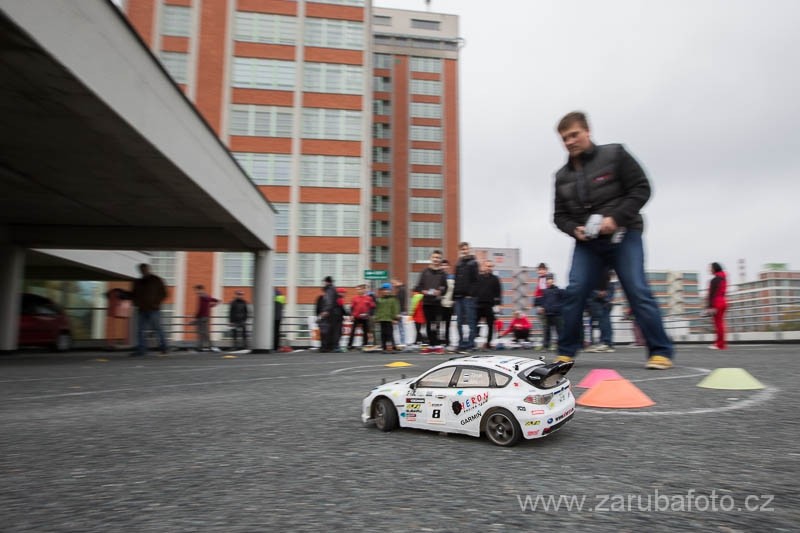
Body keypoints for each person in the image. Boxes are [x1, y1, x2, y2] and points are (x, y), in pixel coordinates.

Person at [552, 111, 674, 369]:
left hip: (624, 234)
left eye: (574, 135)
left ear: (588, 131)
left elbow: (642, 188)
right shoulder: (561, 177)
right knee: (574, 291)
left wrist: (615, 218)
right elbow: (559, 216)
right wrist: (574, 229)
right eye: (564, 138)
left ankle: (660, 351)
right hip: (588, 243)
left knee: (637, 289)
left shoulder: (615, 154)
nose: (570, 141)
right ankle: (566, 351)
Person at [131, 263, 168, 356]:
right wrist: (135, 302)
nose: (143, 271)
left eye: (145, 269)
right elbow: (133, 294)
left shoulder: (156, 280)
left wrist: (156, 303)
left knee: (157, 328)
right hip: (142, 309)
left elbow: (164, 293)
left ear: (148, 269)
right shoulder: (138, 282)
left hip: (153, 309)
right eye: (141, 270)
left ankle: (164, 348)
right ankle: (142, 350)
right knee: (141, 330)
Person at [413, 250, 447, 347]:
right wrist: (423, 291)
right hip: (427, 302)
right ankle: (431, 343)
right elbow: (418, 286)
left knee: (436, 324)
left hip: (437, 302)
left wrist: (440, 291)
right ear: (431, 258)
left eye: (438, 258)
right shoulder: (425, 272)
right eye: (434, 257)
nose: (436, 259)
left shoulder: (443, 273)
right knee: (428, 324)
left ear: (440, 260)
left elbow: (445, 287)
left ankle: (436, 343)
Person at [453, 242, 479, 351]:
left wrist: (471, 294)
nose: (465, 251)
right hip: (458, 297)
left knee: (470, 321)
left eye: (466, 249)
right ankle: (461, 344)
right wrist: (454, 295)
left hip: (468, 298)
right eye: (462, 249)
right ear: (460, 251)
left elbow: (476, 280)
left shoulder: (473, 263)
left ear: (469, 250)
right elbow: (456, 281)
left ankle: (470, 344)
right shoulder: (458, 264)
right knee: (459, 322)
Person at [586, 269, 616, 352]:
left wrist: (600, 295)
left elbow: (606, 294)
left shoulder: (607, 281)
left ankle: (606, 343)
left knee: (604, 322)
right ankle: (604, 342)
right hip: (598, 304)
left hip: (602, 304)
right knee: (603, 323)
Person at [475, 260, 501, 349]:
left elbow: (498, 293)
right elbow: (474, 290)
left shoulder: (495, 279)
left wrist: (498, 305)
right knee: (474, 324)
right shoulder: (478, 277)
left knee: (490, 325)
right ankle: (472, 342)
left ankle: (488, 343)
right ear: (484, 267)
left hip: (489, 305)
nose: (489, 268)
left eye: (490, 266)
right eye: (487, 266)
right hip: (478, 305)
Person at [539, 273, 565, 350]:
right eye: (547, 280)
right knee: (547, 331)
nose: (548, 281)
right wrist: (542, 308)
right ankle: (546, 346)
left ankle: (562, 345)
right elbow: (543, 301)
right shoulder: (545, 291)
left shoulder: (559, 290)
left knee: (560, 330)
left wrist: (559, 308)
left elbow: (564, 301)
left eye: (550, 279)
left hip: (557, 314)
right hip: (547, 314)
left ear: (553, 280)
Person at [707, 262, 728, 350]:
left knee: (718, 325)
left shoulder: (715, 280)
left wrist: (710, 306)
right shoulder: (724, 278)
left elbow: (711, 294)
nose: (709, 270)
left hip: (716, 302)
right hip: (723, 301)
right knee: (720, 324)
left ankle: (720, 345)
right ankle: (720, 343)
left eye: (710, 268)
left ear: (714, 268)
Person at [374, 282, 400, 353]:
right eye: (384, 290)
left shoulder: (393, 299)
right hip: (382, 319)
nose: (385, 291)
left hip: (389, 319)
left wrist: (395, 318)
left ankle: (391, 347)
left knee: (389, 334)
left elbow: (395, 309)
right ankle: (384, 347)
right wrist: (376, 318)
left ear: (390, 290)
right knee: (383, 334)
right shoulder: (380, 300)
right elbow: (378, 310)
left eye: (387, 290)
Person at [348, 284, 375, 349]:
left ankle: (365, 344)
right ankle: (349, 345)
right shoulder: (354, 298)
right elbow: (351, 308)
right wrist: (351, 315)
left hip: (365, 317)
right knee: (352, 331)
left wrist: (368, 314)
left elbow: (372, 307)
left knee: (365, 331)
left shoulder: (369, 298)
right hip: (356, 317)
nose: (358, 291)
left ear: (364, 290)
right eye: (358, 289)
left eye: (360, 289)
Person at [193, 284, 219, 352]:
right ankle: (204, 347)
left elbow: (201, 308)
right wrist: (212, 305)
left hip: (202, 317)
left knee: (202, 333)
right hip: (205, 317)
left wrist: (195, 317)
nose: (196, 292)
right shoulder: (207, 296)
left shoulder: (202, 297)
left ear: (200, 289)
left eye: (197, 290)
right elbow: (216, 300)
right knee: (203, 333)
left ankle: (208, 347)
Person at [318, 276, 339, 352]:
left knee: (326, 330)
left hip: (329, 313)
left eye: (324, 282)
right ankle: (329, 347)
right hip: (331, 312)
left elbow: (329, 301)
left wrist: (326, 311)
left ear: (327, 282)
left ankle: (325, 347)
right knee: (329, 330)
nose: (323, 283)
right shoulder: (331, 289)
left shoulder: (330, 289)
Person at [439, 260, 455, 347]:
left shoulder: (452, 278)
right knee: (438, 323)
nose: (444, 267)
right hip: (439, 304)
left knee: (447, 324)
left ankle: (447, 340)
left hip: (449, 304)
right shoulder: (438, 277)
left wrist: (453, 301)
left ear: (448, 267)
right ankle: (437, 340)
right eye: (442, 265)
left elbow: (454, 290)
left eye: (446, 265)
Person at [391, 278, 408, 347]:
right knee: (400, 327)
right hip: (400, 311)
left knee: (400, 328)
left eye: (393, 283)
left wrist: (397, 313)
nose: (393, 285)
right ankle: (401, 342)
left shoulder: (401, 290)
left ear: (398, 282)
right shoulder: (401, 289)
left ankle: (402, 342)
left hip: (399, 311)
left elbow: (399, 302)